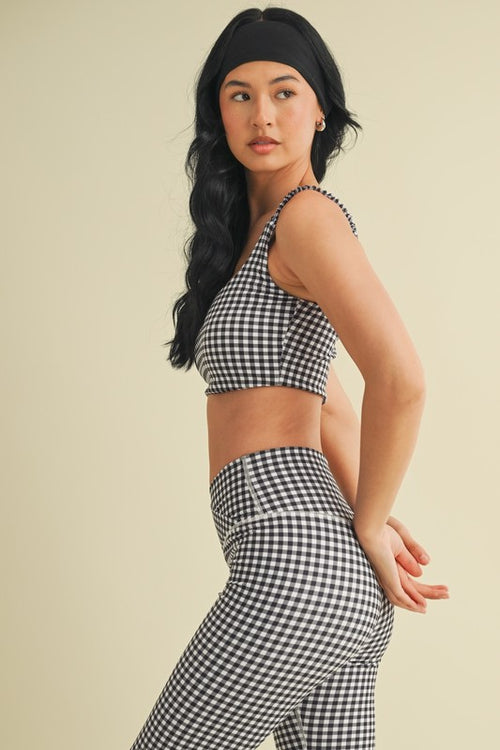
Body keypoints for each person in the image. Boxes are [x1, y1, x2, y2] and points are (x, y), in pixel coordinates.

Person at [130, 7, 449, 749]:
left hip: (294, 570)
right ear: (217, 111)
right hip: (330, 580)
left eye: (284, 91)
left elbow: (400, 378)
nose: (262, 115)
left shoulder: (307, 218)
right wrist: (368, 521)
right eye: (239, 94)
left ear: (321, 110)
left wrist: (369, 518)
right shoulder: (254, 238)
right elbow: (327, 404)